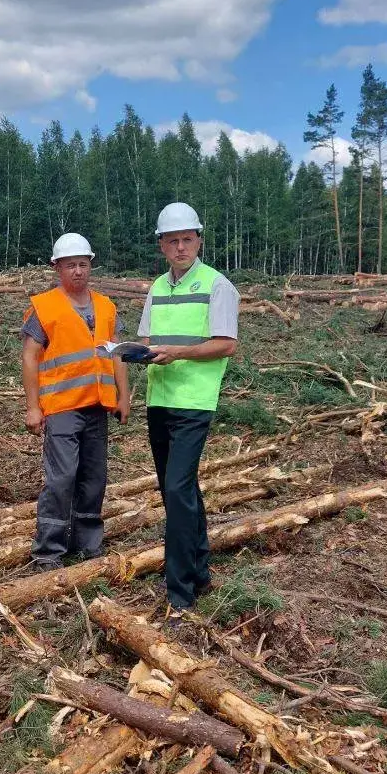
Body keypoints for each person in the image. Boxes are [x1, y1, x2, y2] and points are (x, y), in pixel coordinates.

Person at [138, 202, 239, 616]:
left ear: (199, 239)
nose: (181, 247)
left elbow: (226, 343)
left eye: (187, 239)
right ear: (162, 245)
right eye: (172, 241)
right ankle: (200, 570)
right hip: (159, 399)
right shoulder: (158, 288)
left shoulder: (217, 286)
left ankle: (179, 591)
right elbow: (147, 339)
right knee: (176, 489)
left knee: (178, 490)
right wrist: (131, 352)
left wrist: (178, 353)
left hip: (194, 402)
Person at [22, 234, 131, 568]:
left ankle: (86, 542)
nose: (78, 271)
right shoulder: (44, 307)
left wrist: (123, 396)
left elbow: (118, 355)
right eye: (71, 265)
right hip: (62, 407)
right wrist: (33, 406)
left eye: (83, 264)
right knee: (62, 477)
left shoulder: (105, 307)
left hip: (98, 405)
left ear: (90, 265)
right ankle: (49, 551)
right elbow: (29, 357)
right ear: (58, 268)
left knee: (94, 476)